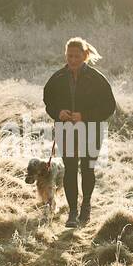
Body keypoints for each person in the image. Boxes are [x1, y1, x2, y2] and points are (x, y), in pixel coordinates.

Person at [42, 37, 117, 228]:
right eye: (69, 56)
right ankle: (72, 213)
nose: (72, 60)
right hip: (65, 129)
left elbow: (109, 106)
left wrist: (84, 115)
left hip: (92, 129)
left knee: (87, 168)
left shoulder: (97, 79)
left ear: (85, 56)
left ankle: (86, 206)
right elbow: (48, 101)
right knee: (70, 169)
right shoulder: (57, 78)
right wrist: (58, 112)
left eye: (76, 56)